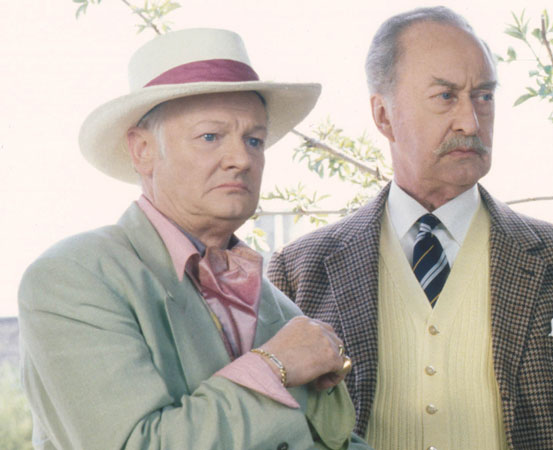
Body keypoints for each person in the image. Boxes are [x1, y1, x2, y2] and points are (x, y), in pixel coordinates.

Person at [266, 7, 553, 450]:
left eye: (483, 96)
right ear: (383, 115)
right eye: (446, 96)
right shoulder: (298, 269)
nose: (471, 121)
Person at [18, 28, 370, 450]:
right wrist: (275, 365)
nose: (241, 159)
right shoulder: (73, 277)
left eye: (254, 140)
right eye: (210, 137)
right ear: (142, 150)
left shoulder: (281, 309)